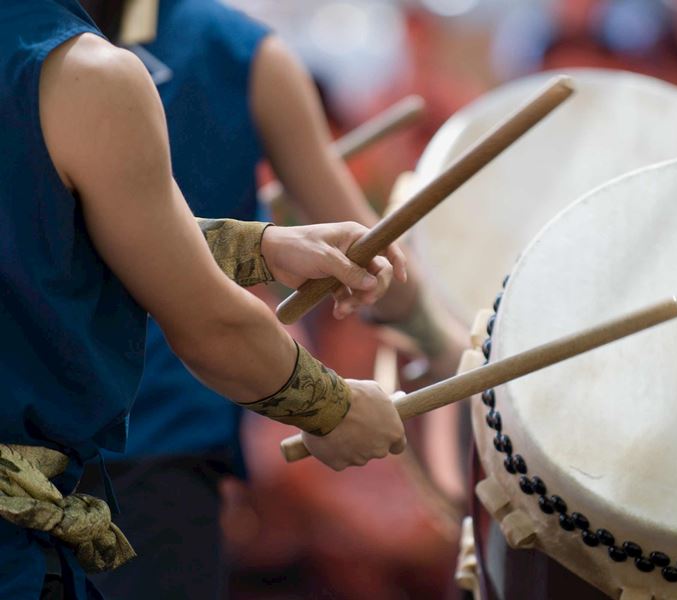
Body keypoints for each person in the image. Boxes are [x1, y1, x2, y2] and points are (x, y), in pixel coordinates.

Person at [0, 1, 409, 598]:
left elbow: (62, 231)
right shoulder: (87, 73)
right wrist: (335, 410)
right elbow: (211, 324)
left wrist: (264, 246)